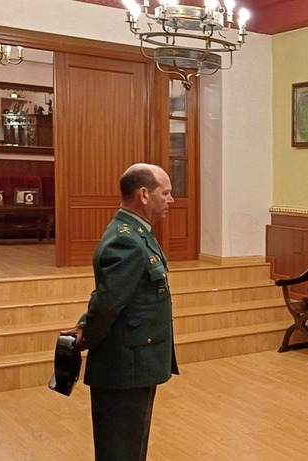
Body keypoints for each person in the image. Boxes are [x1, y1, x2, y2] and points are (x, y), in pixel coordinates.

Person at [60, 163, 178, 461]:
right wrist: (87, 334)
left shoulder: (136, 232)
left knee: (130, 445)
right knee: (120, 449)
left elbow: (114, 295)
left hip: (134, 361)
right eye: (165, 193)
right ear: (144, 194)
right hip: (125, 364)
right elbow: (109, 302)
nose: (171, 200)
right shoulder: (128, 239)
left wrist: (86, 325)